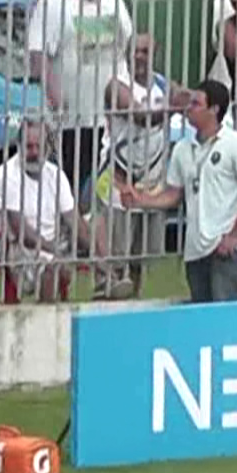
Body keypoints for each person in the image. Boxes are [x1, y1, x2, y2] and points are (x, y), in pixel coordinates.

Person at [119, 79, 237, 303]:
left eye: (196, 103)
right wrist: (141, 200)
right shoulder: (183, 149)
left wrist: (235, 235)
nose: (189, 108)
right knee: (202, 312)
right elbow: (174, 195)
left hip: (226, 246)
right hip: (196, 250)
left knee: (222, 309)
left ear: (214, 110)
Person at [28, 0, 136, 198]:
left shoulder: (113, 0)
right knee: (71, 189)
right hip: (74, 120)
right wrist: (55, 96)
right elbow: (37, 55)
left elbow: (128, 45)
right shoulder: (52, 4)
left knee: (112, 191)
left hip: (114, 117)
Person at [96, 33, 180, 298]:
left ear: (156, 52)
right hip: (118, 175)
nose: (139, 57)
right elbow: (141, 117)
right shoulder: (117, 86)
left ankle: (135, 300)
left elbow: (185, 95)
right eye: (135, 51)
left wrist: (186, 99)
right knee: (116, 251)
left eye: (145, 51)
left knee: (139, 255)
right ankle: (108, 294)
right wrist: (174, 107)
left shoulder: (164, 85)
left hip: (151, 179)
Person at [0, 120, 100, 303]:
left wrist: (97, 254)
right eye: (29, 147)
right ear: (19, 146)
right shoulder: (5, 176)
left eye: (39, 146)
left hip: (50, 244)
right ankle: (47, 316)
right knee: (51, 267)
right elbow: (21, 232)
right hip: (12, 248)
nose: (35, 152)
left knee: (95, 225)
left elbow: (74, 221)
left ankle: (109, 278)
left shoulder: (55, 175)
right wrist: (57, 253)